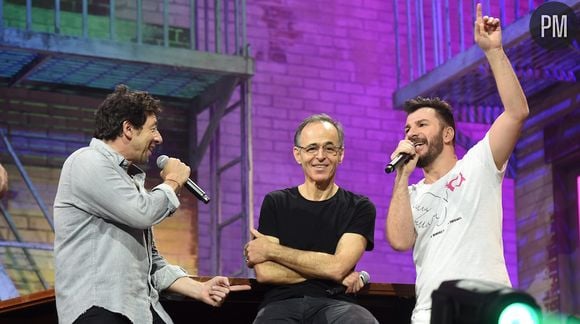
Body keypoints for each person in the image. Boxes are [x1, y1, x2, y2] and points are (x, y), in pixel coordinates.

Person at [54, 84, 250, 324]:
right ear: (128, 129)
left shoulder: (126, 179)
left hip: (138, 310)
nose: (159, 137)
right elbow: (142, 212)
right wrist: (174, 180)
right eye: (153, 129)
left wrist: (199, 289)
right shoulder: (86, 161)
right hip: (100, 309)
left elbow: (152, 263)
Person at [385, 3, 529, 324]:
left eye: (422, 125)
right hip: (431, 313)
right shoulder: (409, 194)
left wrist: (493, 51)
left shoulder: (478, 164)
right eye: (408, 128)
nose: (412, 133)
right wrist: (401, 178)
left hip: (488, 307)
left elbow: (516, 113)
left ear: (448, 133)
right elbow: (399, 241)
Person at [244, 114, 378, 323]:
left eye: (329, 148)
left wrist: (272, 251)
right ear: (298, 155)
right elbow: (265, 272)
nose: (320, 156)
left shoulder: (359, 207)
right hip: (281, 303)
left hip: (337, 304)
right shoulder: (276, 202)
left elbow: (337, 267)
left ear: (340, 154)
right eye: (312, 148)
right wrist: (332, 274)